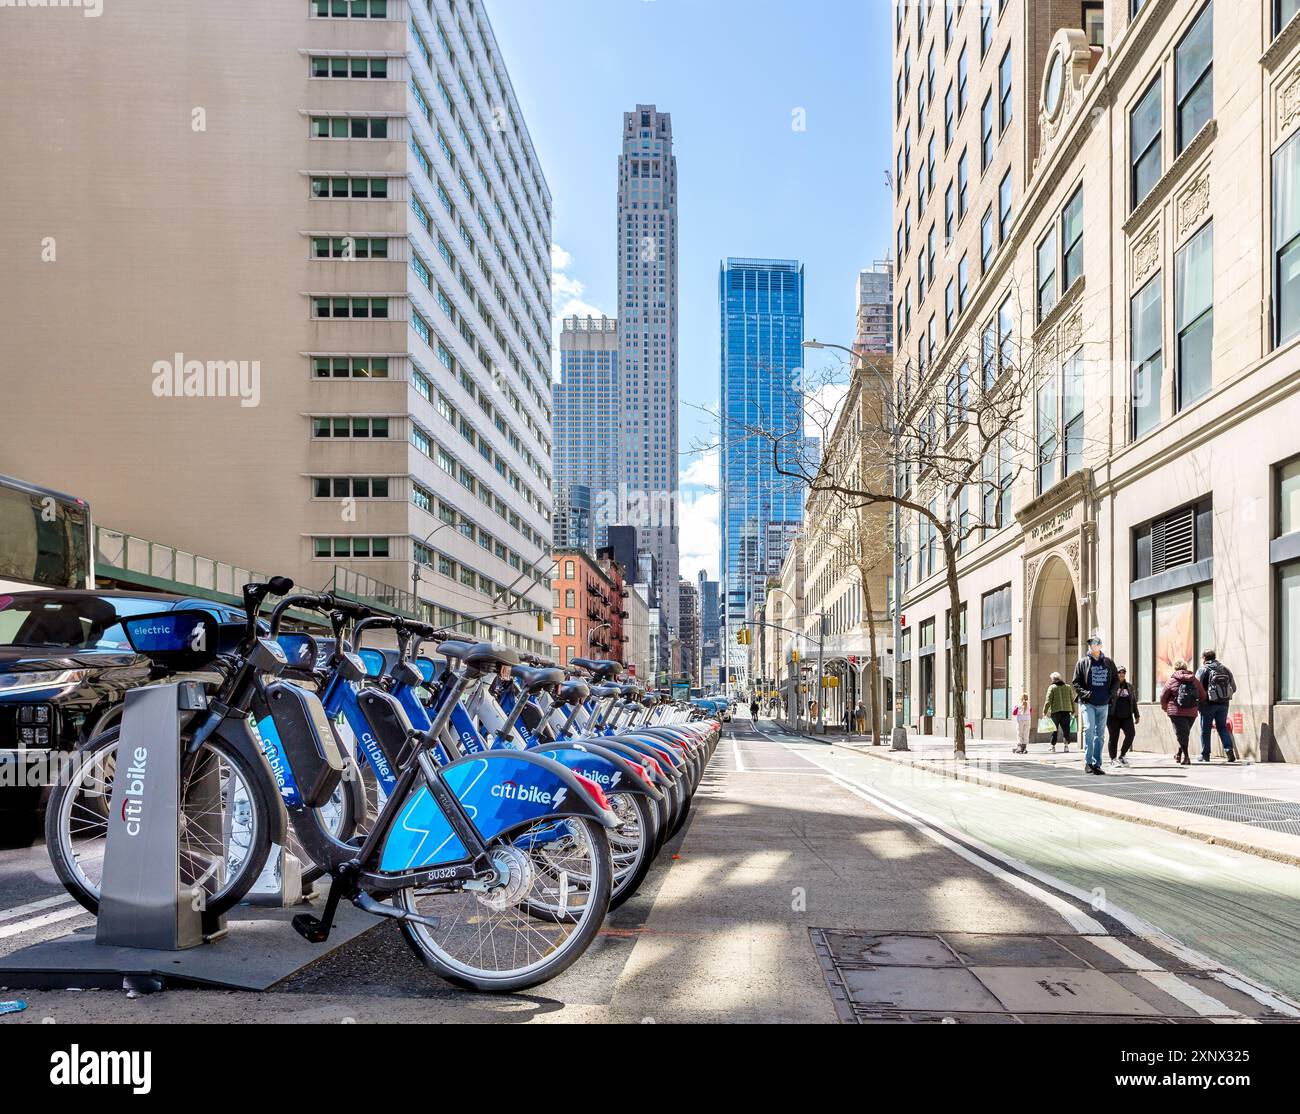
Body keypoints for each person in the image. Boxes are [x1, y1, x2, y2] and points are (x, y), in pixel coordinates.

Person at [1072, 636, 1119, 775]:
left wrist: (1111, 694)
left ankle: (1097, 763)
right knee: (1089, 729)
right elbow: (1076, 682)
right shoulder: (1083, 662)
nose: (1094, 645)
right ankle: (1088, 763)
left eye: (1096, 643)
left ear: (1100, 645)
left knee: (1100, 734)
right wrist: (1086, 694)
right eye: (1091, 643)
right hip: (1088, 703)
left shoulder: (1108, 662)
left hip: (1103, 703)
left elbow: (1116, 679)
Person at [1159, 659, 1207, 765]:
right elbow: (1203, 694)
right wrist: (1196, 704)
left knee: (1182, 735)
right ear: (1186, 667)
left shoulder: (1172, 680)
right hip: (1192, 712)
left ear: (1175, 668)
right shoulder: (1194, 680)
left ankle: (1186, 757)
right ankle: (1179, 754)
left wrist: (1165, 707)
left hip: (1176, 712)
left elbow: (1163, 696)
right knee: (1184, 734)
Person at [1195, 650, 1237, 763]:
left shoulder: (1202, 669)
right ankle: (1228, 750)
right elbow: (1234, 687)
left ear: (1204, 658)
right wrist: (1223, 697)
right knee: (1222, 727)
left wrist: (1201, 700)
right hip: (1223, 704)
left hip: (1207, 704)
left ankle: (1205, 755)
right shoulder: (1225, 669)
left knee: (1205, 729)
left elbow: (1196, 687)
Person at [1107, 666, 1140, 767]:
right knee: (1114, 738)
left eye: (1123, 672)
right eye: (1119, 672)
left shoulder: (1129, 686)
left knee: (1131, 734)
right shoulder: (1111, 686)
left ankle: (1122, 755)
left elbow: (1133, 701)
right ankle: (1113, 759)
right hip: (1113, 717)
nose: (1121, 674)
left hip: (1127, 716)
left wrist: (1136, 714)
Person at [1043, 671, 1076, 753]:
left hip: (1055, 712)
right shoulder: (1067, 687)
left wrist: (1044, 711)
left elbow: (1048, 701)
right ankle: (1066, 746)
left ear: (1053, 679)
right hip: (1066, 711)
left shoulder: (1052, 688)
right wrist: (1073, 711)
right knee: (1066, 729)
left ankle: (1053, 746)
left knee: (1054, 729)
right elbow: (1072, 700)